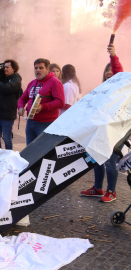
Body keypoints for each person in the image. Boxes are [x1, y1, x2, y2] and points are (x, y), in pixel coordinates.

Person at [81, 44, 123, 202]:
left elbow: (118, 70)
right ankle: (98, 188)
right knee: (97, 158)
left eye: (112, 70)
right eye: (107, 70)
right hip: (100, 130)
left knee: (110, 161)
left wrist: (113, 56)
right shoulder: (101, 89)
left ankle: (111, 191)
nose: (109, 72)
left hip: (115, 131)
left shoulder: (120, 87)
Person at [18, 58, 65, 145]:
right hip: (31, 122)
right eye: (36, 68)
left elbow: (60, 102)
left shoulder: (55, 82)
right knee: (30, 151)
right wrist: (20, 107)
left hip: (46, 123)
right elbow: (22, 98)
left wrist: (42, 107)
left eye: (41, 68)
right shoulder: (32, 83)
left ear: (47, 69)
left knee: (43, 153)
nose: (38, 70)